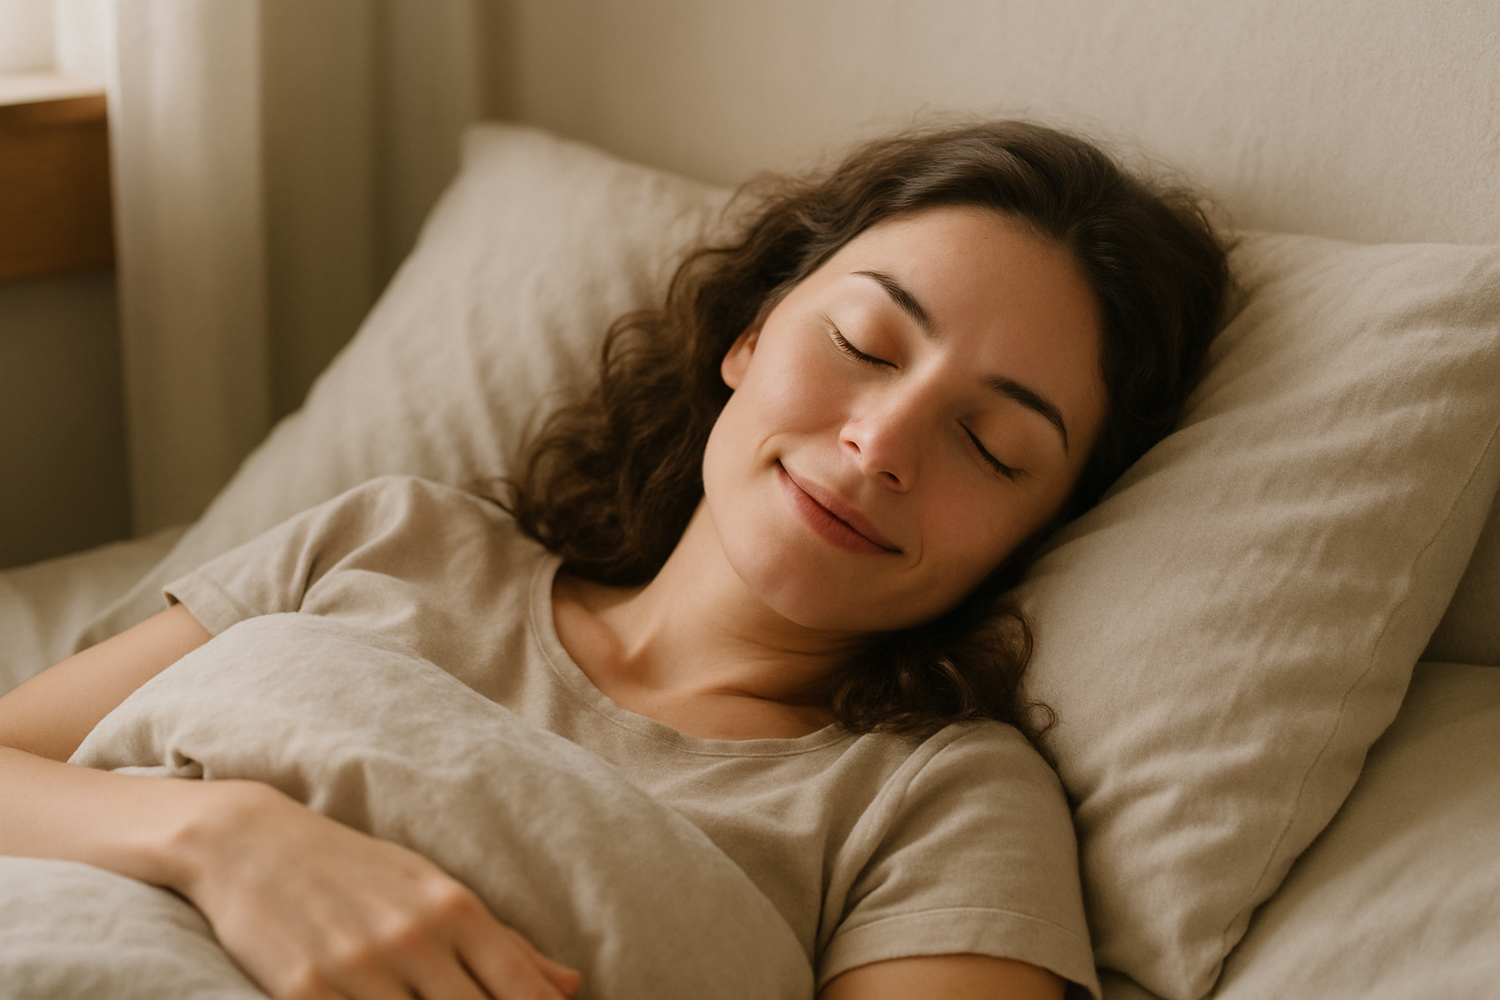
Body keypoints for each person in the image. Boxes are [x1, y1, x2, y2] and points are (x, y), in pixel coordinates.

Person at [0, 120, 1229, 1000]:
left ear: (1040, 531)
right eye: (864, 341)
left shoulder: (932, 799)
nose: (882, 442)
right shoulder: (398, 539)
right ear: (750, 332)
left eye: (994, 444)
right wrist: (228, 840)